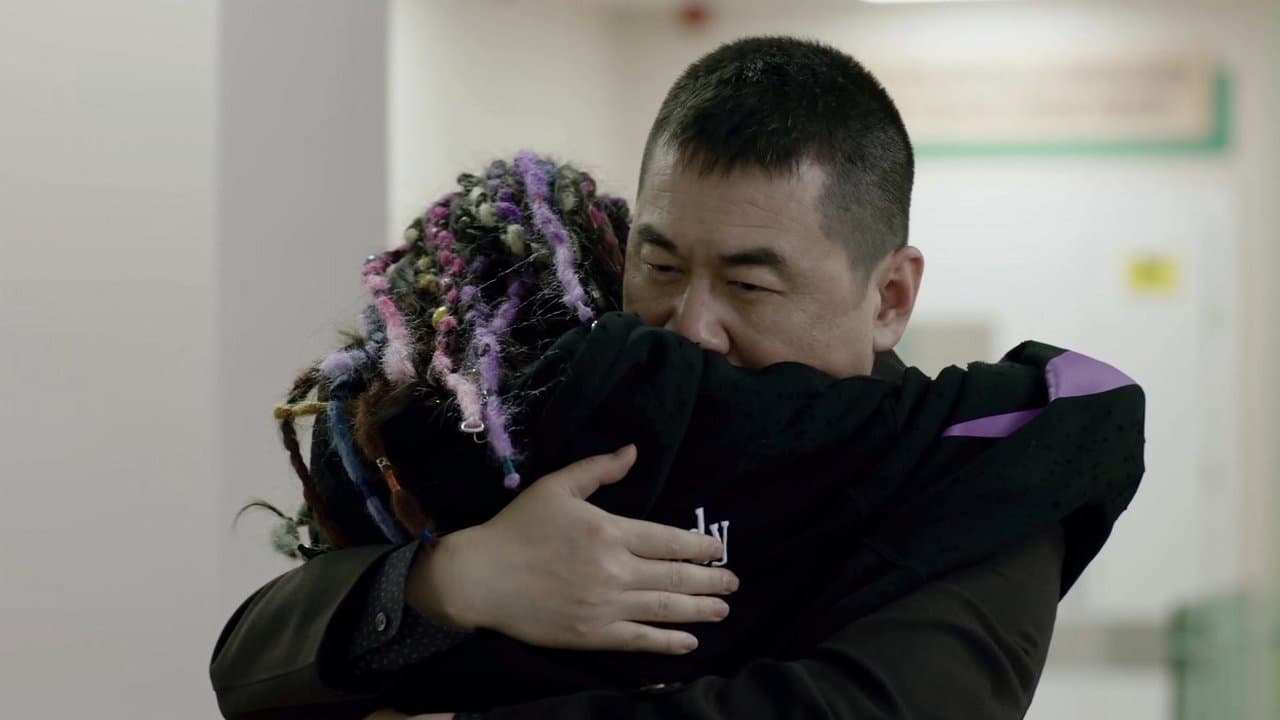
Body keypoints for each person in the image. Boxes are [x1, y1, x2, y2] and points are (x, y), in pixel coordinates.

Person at [212, 37, 1134, 719]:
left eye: (749, 284)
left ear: (888, 297)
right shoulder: (560, 404)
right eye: (658, 266)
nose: (691, 325)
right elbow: (254, 660)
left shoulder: (968, 470)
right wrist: (457, 579)